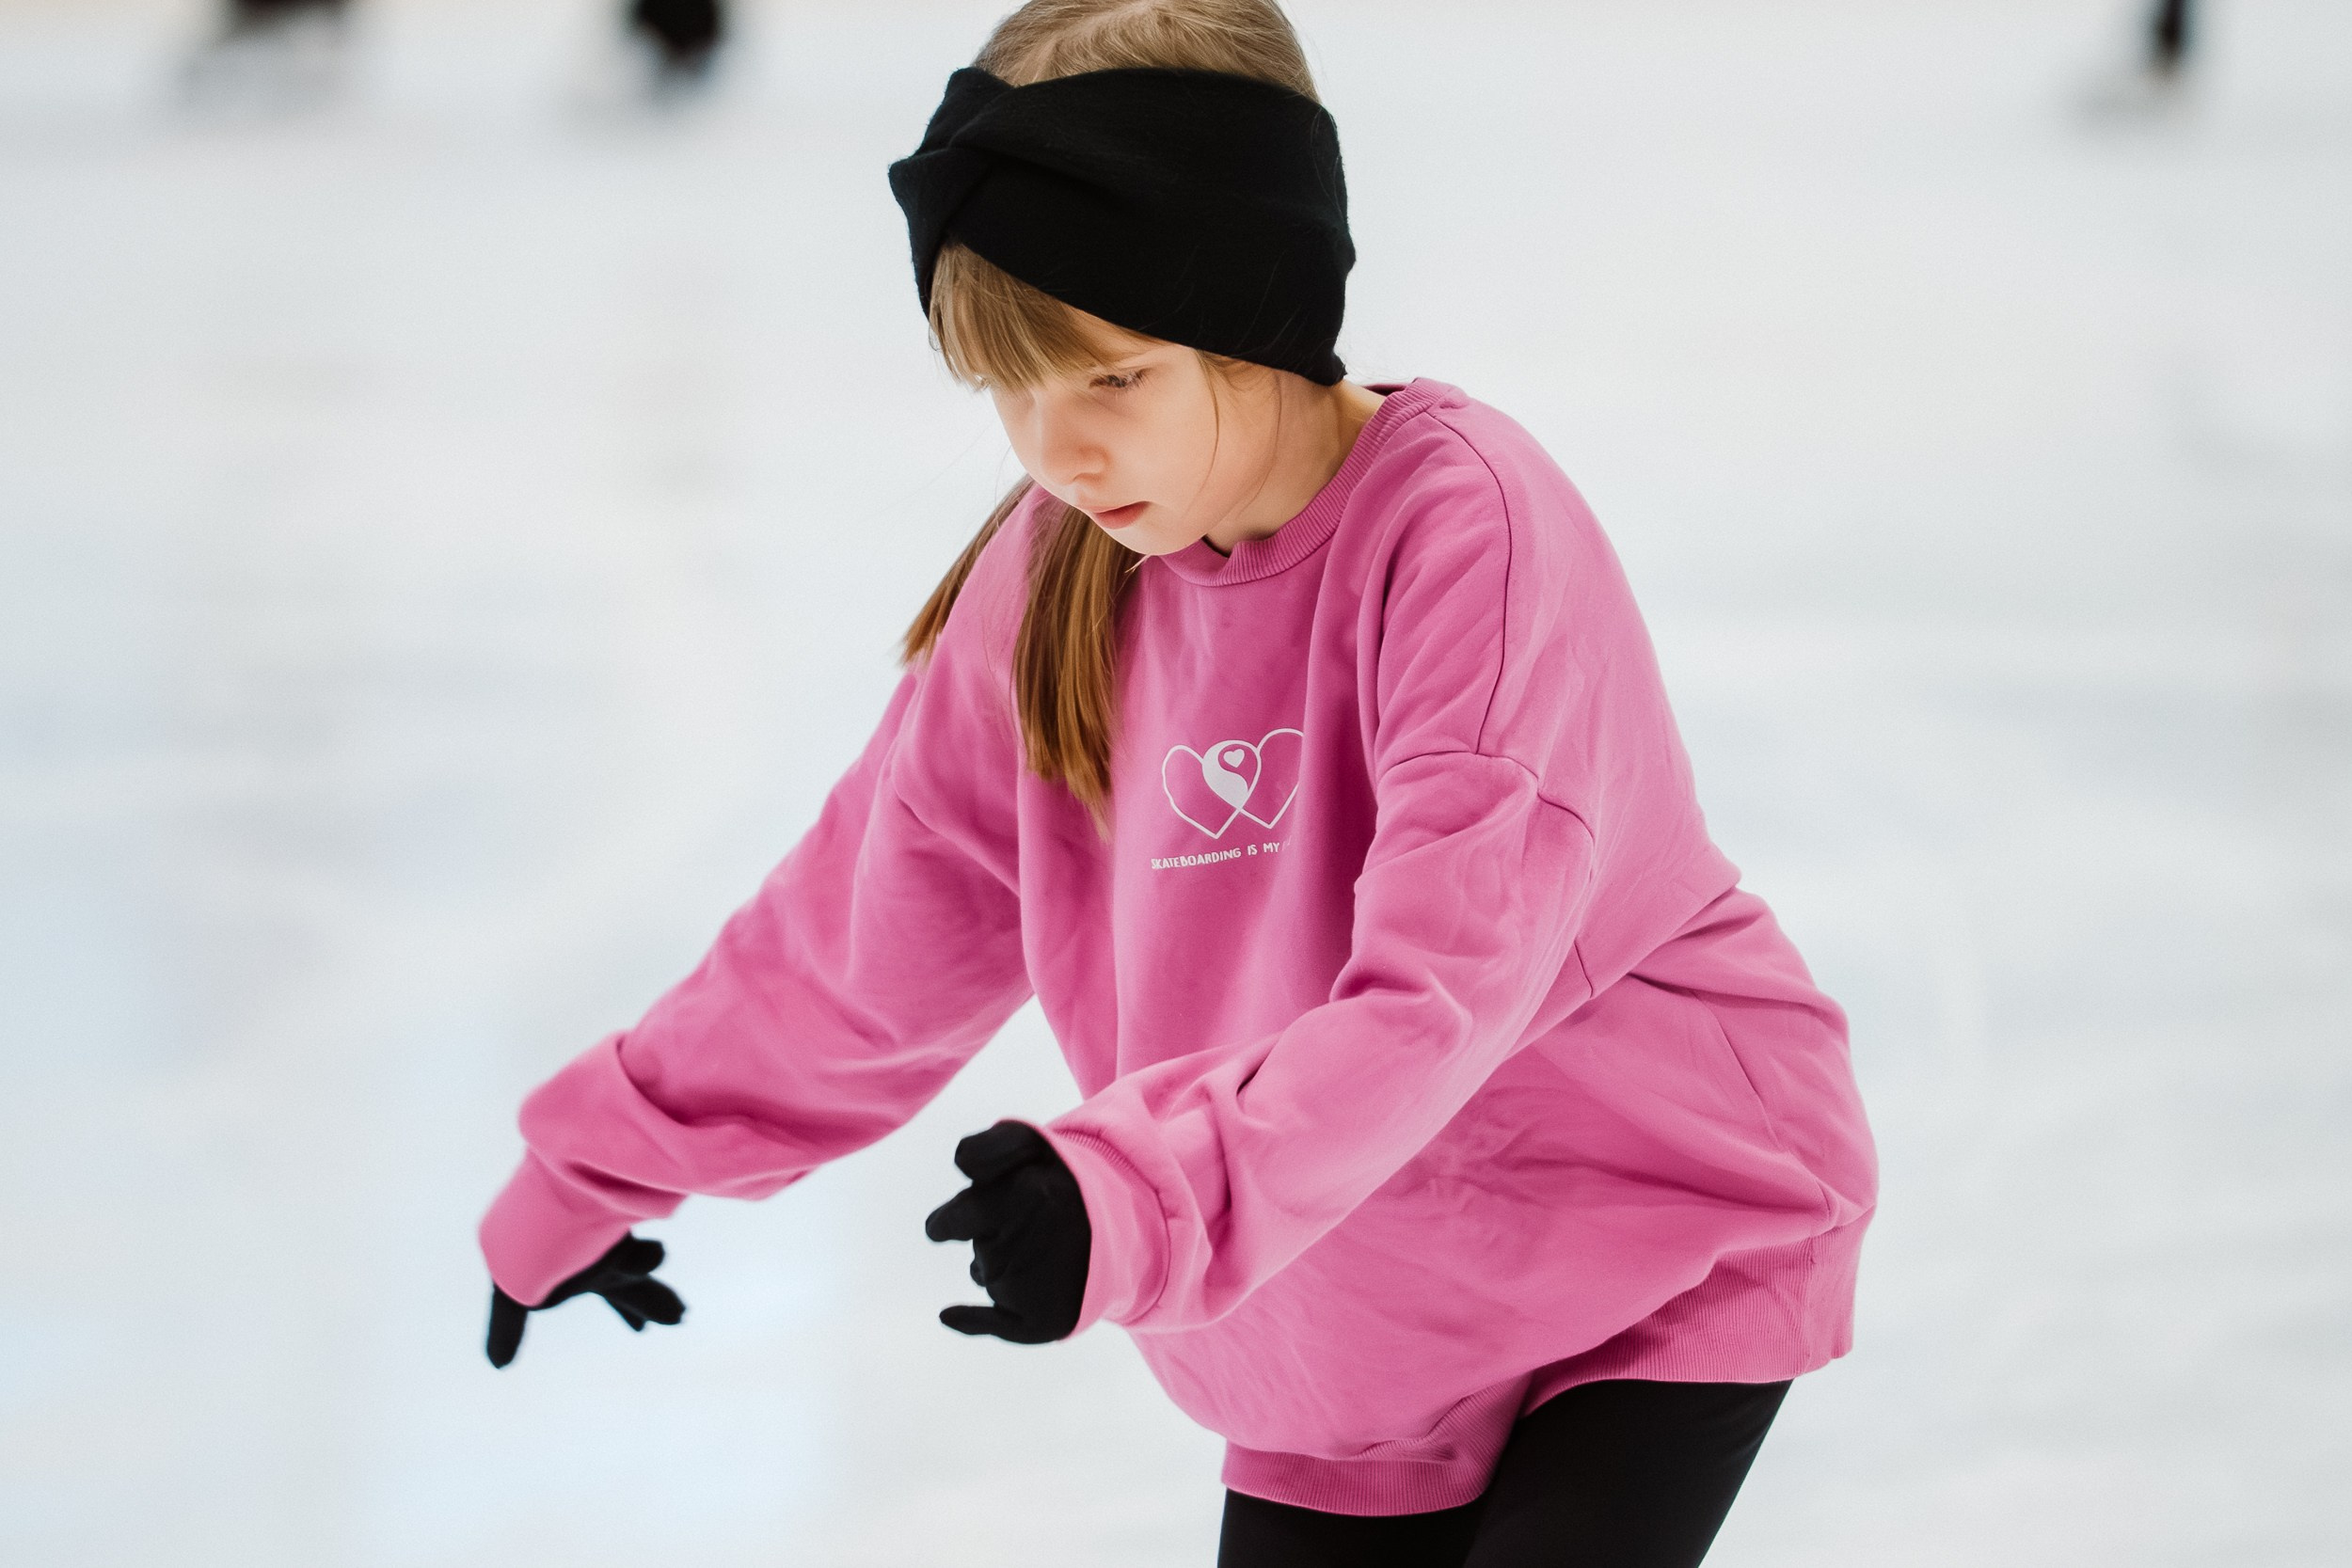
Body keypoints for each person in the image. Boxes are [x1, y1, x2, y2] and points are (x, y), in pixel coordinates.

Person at [473, 3, 1879, 1563]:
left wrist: (1132, 1201)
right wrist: (592, 1169)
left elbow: (1439, 993)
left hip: (1652, 1234)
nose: (1054, 450)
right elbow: (865, 938)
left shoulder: (1463, 535)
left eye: (1112, 378)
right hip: (1344, 1325)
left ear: (1254, 302)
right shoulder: (1060, 581)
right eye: (1006, 392)